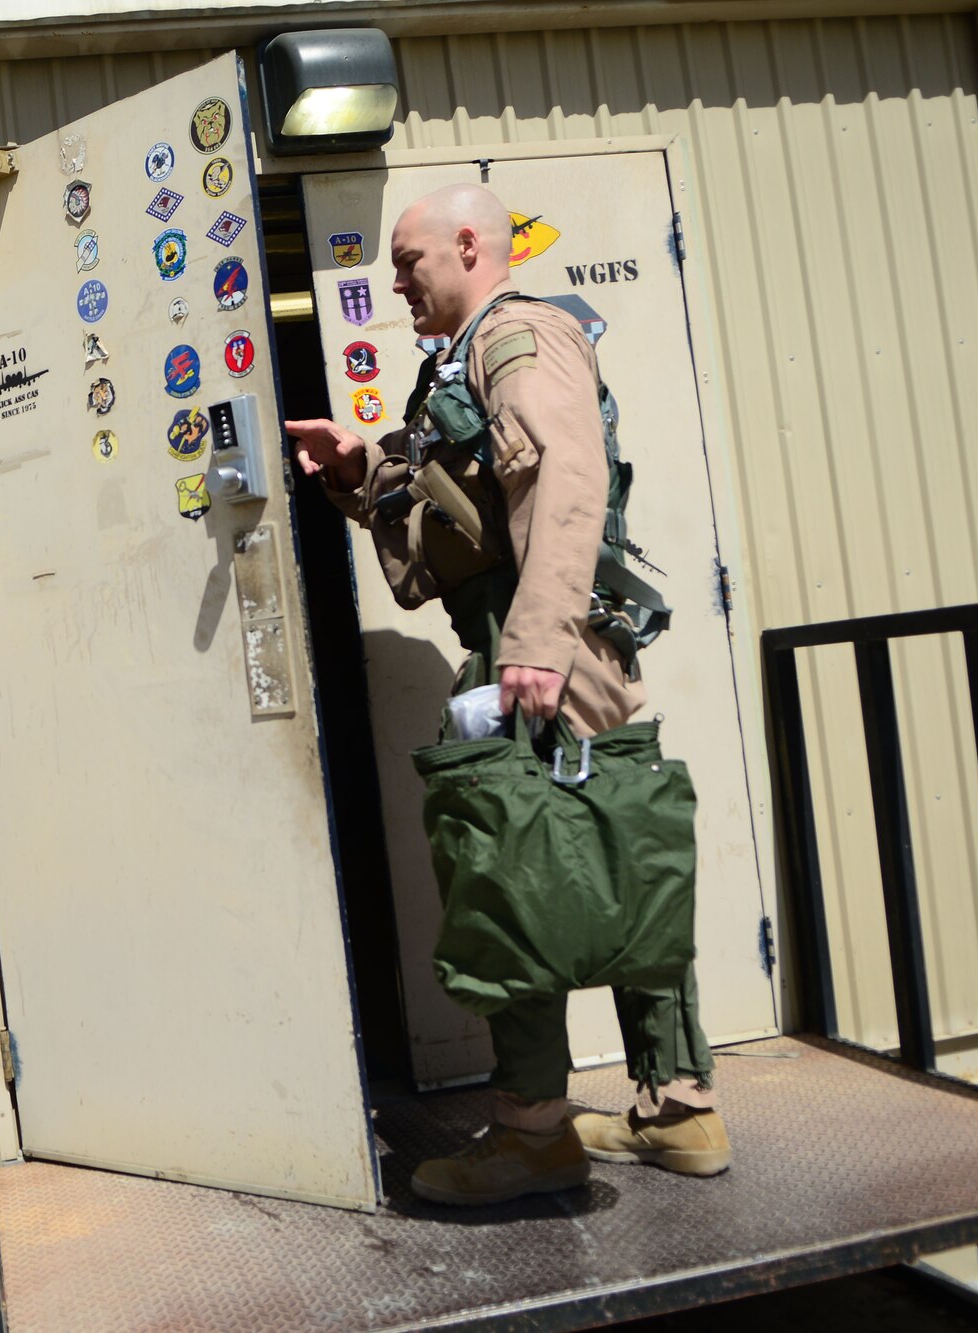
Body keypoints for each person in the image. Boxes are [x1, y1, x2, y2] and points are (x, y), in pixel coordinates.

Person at [286, 183, 730, 1207]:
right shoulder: (468, 354)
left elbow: (565, 477)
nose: (393, 279)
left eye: (408, 261)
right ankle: (679, 1107)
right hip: (557, 631)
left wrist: (535, 640)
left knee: (508, 865)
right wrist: (359, 473)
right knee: (617, 855)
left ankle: (533, 1128)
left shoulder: (515, 338)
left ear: (469, 246)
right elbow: (465, 504)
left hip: (535, 635)